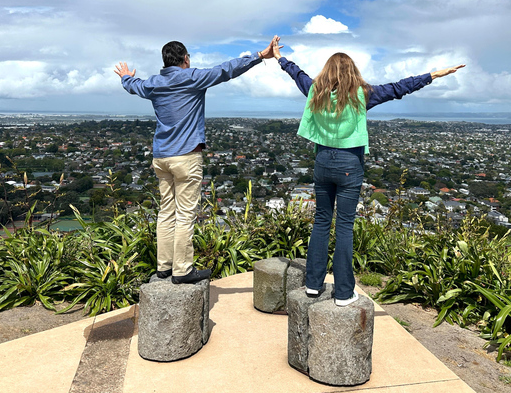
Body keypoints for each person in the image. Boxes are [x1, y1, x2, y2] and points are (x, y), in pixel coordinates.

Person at [270, 38, 464, 305]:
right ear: (352, 73)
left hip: (323, 162)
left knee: (321, 222)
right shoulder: (361, 95)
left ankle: (313, 285)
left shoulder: (315, 91)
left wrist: (280, 58)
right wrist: (432, 75)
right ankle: (344, 292)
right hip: (350, 165)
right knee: (345, 226)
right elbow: (399, 88)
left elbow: (297, 74)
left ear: (327, 72)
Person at [114, 37, 280, 284]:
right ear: (186, 59)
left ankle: (164, 267)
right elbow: (227, 69)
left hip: (161, 157)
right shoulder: (192, 77)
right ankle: (182, 270)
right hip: (186, 156)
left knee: (166, 211)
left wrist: (126, 76)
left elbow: (134, 86)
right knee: (185, 214)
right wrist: (259, 56)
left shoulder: (154, 84)